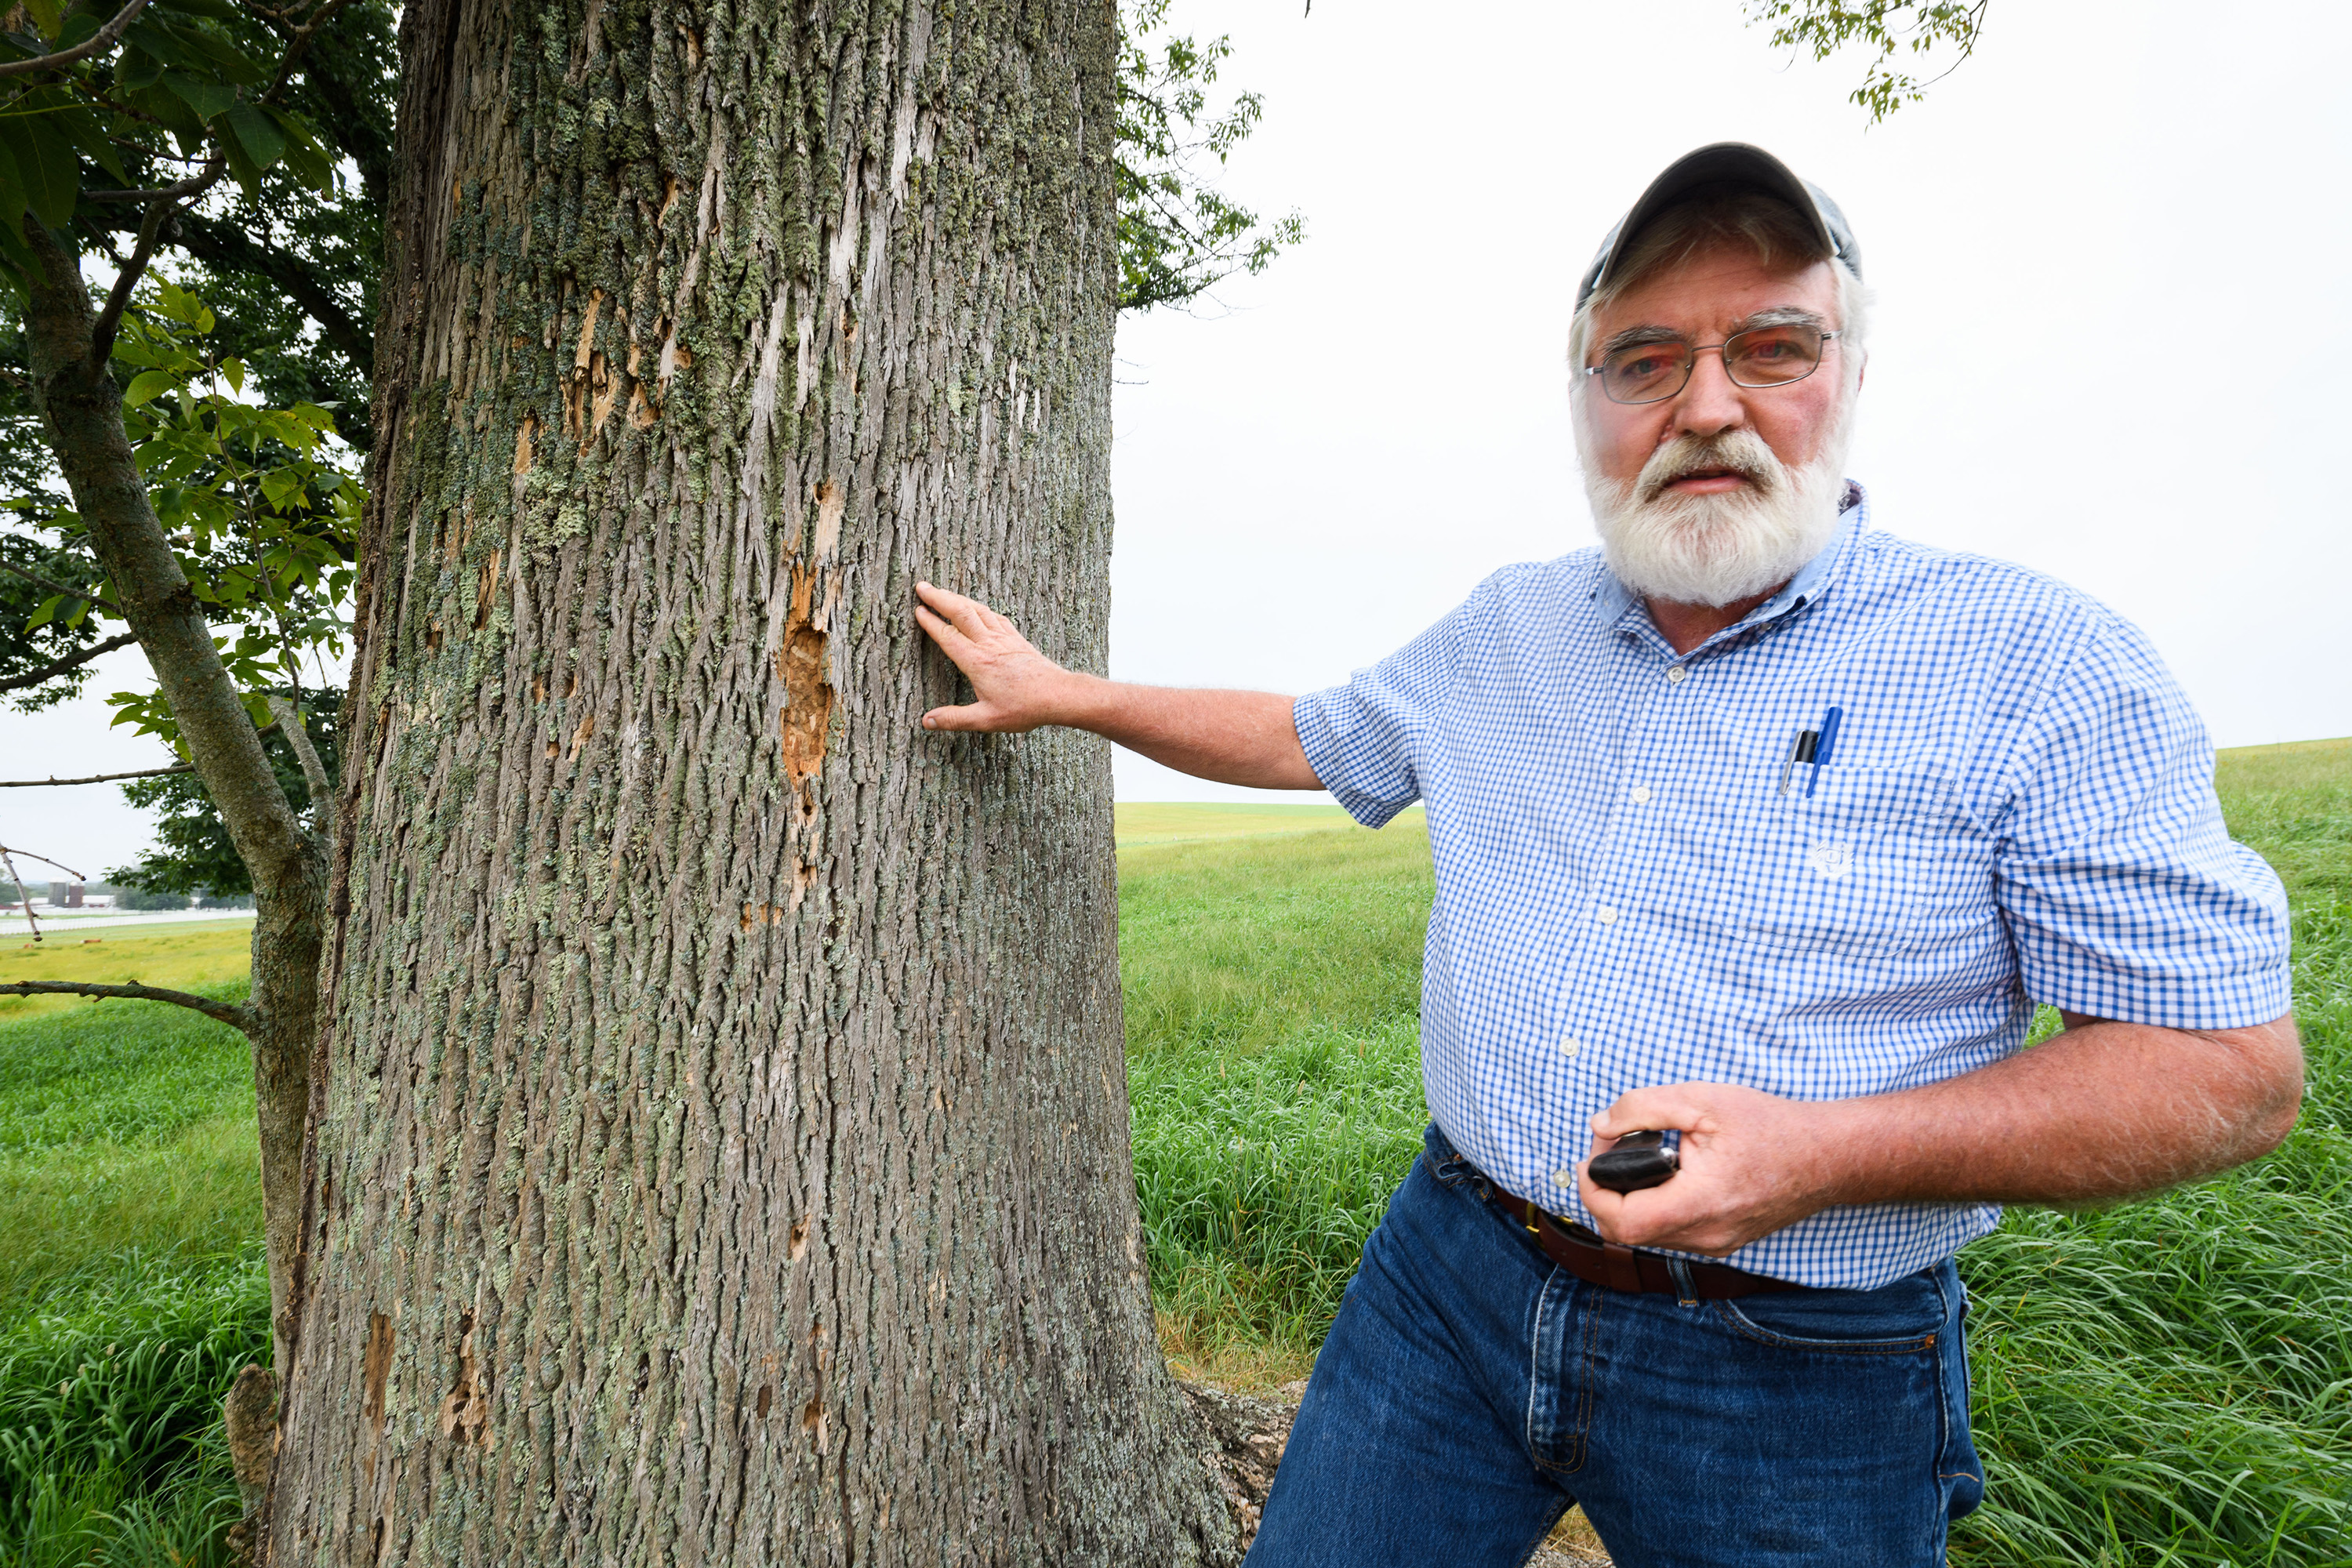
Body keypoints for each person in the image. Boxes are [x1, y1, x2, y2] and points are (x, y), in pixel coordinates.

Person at [909, 143, 2301, 1567]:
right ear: (1586, 405)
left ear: (1851, 376)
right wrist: (1067, 692)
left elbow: (2227, 1070)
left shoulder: (2041, 664)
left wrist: (1820, 1156)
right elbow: (1306, 735)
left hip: (1796, 1369)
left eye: (1771, 346)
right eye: (1644, 362)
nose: (1707, 406)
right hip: (1448, 1282)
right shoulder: (1511, 628)